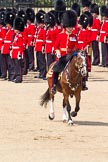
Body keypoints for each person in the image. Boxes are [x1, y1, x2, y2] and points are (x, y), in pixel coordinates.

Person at [51, 10, 77, 95]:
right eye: (69, 27)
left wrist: (76, 52)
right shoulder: (60, 35)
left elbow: (76, 46)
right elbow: (55, 46)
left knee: (80, 68)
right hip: (62, 56)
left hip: (71, 55)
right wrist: (57, 51)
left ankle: (82, 84)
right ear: (65, 26)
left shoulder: (74, 36)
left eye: (71, 27)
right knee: (55, 69)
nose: (71, 28)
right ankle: (54, 85)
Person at [10, 17, 25, 83]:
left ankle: (19, 77)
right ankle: (16, 76)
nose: (14, 30)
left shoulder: (20, 36)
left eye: (15, 29)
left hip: (17, 52)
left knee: (18, 65)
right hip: (14, 52)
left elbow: (21, 46)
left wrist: (20, 53)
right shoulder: (16, 36)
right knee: (15, 65)